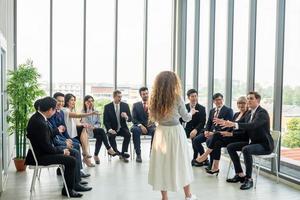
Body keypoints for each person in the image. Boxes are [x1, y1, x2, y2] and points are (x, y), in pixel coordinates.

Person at [148, 71, 198, 200]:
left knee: (162, 164)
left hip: (161, 133)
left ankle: (164, 197)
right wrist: (191, 112)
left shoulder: (154, 98)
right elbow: (186, 118)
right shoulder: (176, 97)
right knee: (181, 162)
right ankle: (188, 195)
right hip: (175, 132)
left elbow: (154, 119)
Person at [215, 91, 274, 190]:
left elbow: (253, 125)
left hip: (264, 145)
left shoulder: (262, 113)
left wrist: (234, 124)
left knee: (246, 149)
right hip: (253, 143)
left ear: (258, 100)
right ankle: (240, 174)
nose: (249, 100)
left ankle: (249, 179)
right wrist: (227, 122)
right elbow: (238, 122)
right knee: (230, 147)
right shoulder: (249, 113)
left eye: (251, 98)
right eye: (248, 98)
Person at [25, 97, 83, 198]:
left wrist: (58, 134)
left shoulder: (39, 117)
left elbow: (47, 134)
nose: (56, 111)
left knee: (73, 152)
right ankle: (68, 190)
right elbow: (47, 147)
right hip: (41, 156)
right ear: (50, 110)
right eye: (55, 109)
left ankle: (74, 185)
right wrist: (62, 151)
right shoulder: (40, 123)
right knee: (71, 160)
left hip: (43, 151)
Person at [195, 96, 249, 175]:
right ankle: (215, 167)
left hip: (240, 137)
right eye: (239, 104)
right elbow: (230, 126)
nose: (241, 106)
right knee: (217, 141)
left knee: (216, 135)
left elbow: (245, 130)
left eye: (243, 104)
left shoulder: (248, 115)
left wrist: (230, 133)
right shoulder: (237, 114)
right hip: (232, 136)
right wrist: (226, 131)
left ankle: (205, 155)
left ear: (247, 104)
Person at [192, 93, 233, 168]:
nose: (218, 101)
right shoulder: (212, 110)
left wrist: (213, 133)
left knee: (209, 142)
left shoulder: (228, 110)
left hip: (218, 134)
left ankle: (211, 164)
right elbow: (209, 122)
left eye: (219, 99)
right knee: (196, 140)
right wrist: (206, 131)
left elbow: (228, 127)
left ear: (222, 100)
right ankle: (204, 158)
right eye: (216, 100)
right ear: (214, 101)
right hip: (209, 132)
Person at [62, 93, 99, 167]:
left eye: (74, 100)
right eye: (71, 100)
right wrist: (90, 113)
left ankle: (86, 156)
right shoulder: (65, 110)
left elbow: (77, 123)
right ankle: (85, 155)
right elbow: (78, 115)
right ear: (66, 101)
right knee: (83, 131)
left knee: (84, 130)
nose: (73, 102)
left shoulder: (71, 110)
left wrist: (83, 125)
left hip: (73, 133)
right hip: (68, 134)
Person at [81, 95, 117, 164]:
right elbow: (84, 121)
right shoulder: (82, 111)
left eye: (92, 101)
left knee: (100, 134)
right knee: (101, 132)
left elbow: (99, 123)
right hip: (86, 132)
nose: (90, 103)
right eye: (88, 101)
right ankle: (108, 149)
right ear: (85, 102)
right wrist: (88, 110)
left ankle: (96, 155)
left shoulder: (96, 111)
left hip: (94, 130)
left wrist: (94, 126)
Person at [103, 90, 132, 163]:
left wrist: (126, 117)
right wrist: (109, 129)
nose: (120, 98)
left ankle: (124, 153)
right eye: (118, 97)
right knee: (111, 135)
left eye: (121, 97)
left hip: (122, 128)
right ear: (114, 97)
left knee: (128, 135)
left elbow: (130, 119)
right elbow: (105, 121)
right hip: (112, 128)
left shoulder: (125, 105)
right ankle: (116, 152)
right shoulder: (107, 107)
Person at [180, 89, 206, 166]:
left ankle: (197, 157)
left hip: (198, 129)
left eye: (195, 96)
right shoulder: (184, 107)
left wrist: (195, 130)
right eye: (192, 96)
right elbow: (180, 119)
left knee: (195, 139)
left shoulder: (201, 108)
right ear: (188, 97)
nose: (194, 98)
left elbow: (202, 122)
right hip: (187, 129)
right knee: (179, 137)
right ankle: (182, 158)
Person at [131, 87, 156, 163]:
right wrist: (140, 125)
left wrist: (153, 121)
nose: (145, 95)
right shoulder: (136, 105)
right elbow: (133, 118)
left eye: (146, 93)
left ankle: (152, 154)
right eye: (143, 94)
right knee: (135, 130)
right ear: (140, 95)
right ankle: (138, 154)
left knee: (156, 131)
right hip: (138, 126)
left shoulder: (153, 104)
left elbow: (157, 116)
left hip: (150, 126)